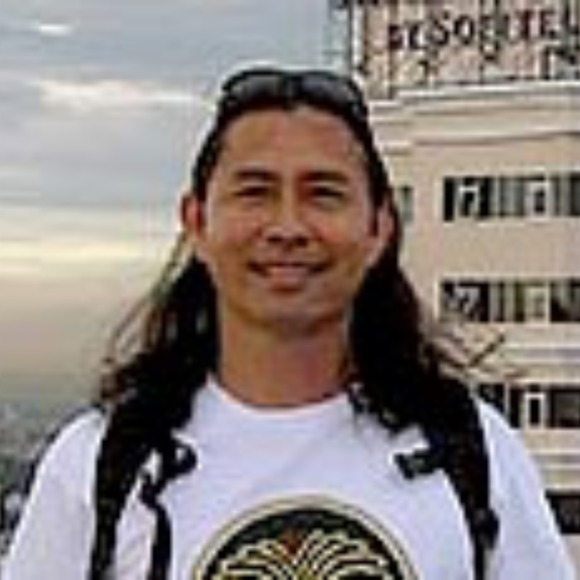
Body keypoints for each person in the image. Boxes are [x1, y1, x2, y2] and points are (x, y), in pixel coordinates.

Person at [2, 66, 575, 580]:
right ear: (196, 222)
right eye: (255, 193)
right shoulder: (97, 465)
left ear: (378, 228)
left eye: (323, 194)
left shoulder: (474, 453)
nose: (288, 228)